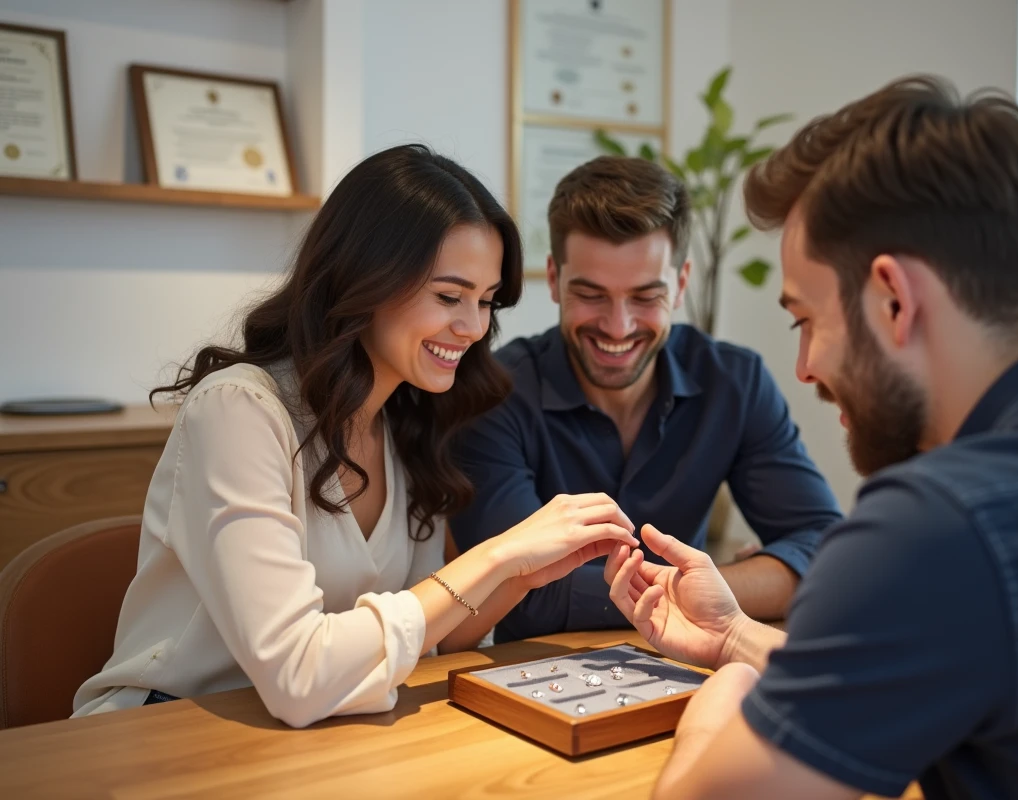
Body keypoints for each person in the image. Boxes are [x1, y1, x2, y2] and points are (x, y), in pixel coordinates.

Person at [604, 77, 1018, 799]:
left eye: (806, 320)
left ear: (893, 299)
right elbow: (952, 664)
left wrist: (717, 708)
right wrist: (736, 637)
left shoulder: (937, 525)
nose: (805, 367)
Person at [73, 144, 638, 729]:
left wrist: (519, 575)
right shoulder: (238, 411)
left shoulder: (405, 422)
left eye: (486, 302)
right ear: (367, 278)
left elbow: (424, 635)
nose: (473, 327)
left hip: (311, 735)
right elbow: (299, 676)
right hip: (166, 730)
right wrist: (499, 553)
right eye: (449, 297)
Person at [449, 156, 842, 641]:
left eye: (644, 296)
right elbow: (518, 591)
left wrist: (699, 592)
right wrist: (716, 589)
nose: (619, 326)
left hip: (693, 664)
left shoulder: (734, 382)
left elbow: (829, 554)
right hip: (536, 673)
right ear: (553, 279)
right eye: (591, 295)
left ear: (681, 284)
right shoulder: (492, 394)